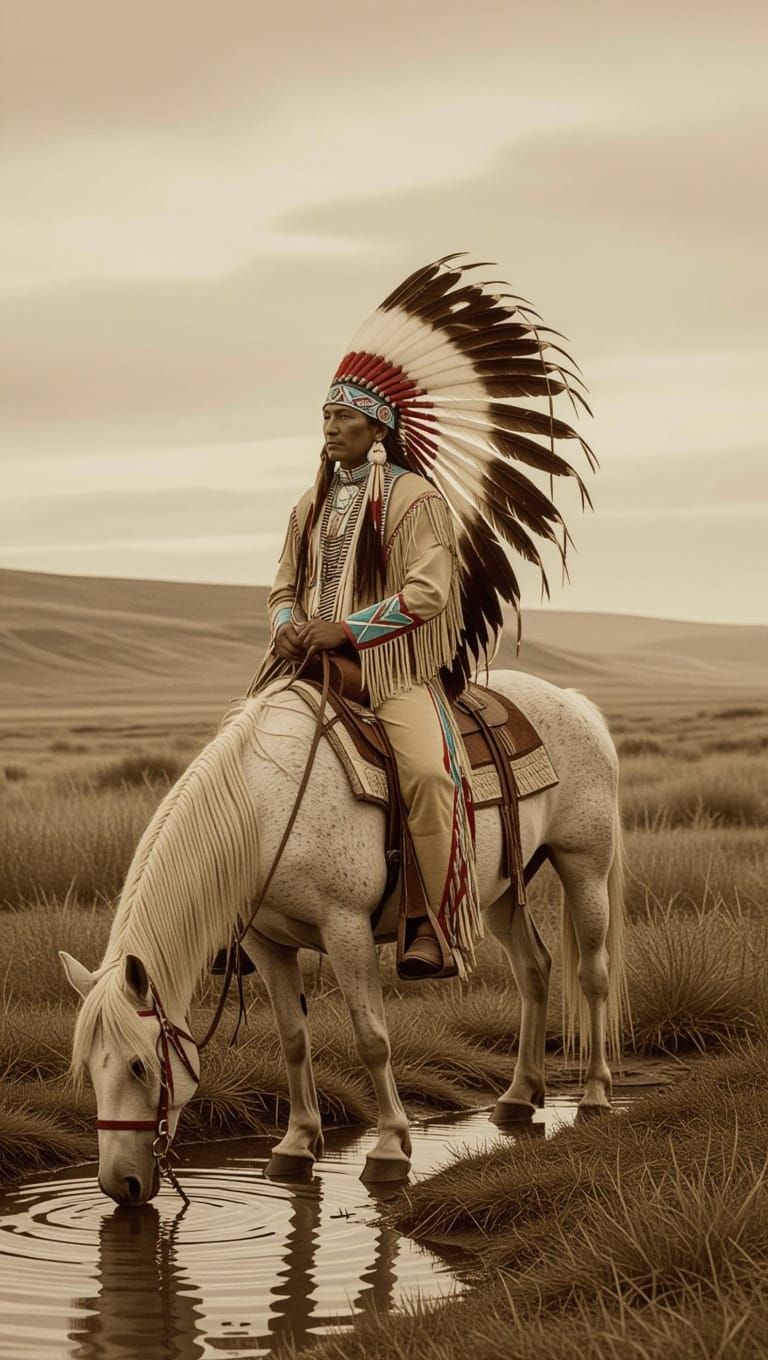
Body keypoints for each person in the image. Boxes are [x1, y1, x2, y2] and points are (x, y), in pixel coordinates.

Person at [247, 253, 592, 980]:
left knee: (432, 776)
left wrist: (346, 629)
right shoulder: (309, 505)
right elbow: (282, 585)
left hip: (391, 674)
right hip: (305, 666)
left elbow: (428, 594)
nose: (330, 427)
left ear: (377, 427)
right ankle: (233, 915)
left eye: (343, 416)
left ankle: (431, 921)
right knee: (229, 756)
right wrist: (288, 625)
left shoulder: (415, 500)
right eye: (325, 416)